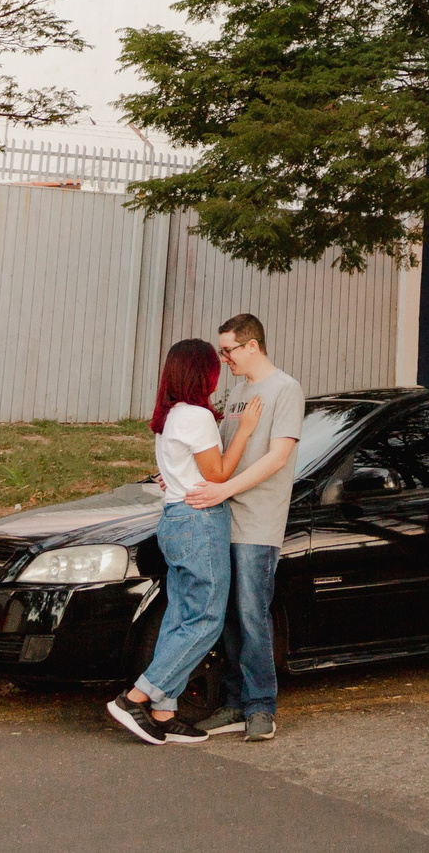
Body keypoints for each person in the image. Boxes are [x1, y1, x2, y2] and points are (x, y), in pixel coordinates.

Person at [107, 338, 262, 747]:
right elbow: (218, 475)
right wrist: (245, 430)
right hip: (200, 521)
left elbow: (182, 472)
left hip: (176, 519)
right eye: (216, 364)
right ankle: (136, 697)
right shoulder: (196, 415)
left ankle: (163, 710)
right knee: (206, 619)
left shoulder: (172, 415)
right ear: (203, 373)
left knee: (180, 616)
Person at [183, 312, 302, 742]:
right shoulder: (237, 392)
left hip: (257, 523)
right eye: (222, 351)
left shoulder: (285, 389)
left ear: (252, 345)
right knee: (229, 617)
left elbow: (277, 458)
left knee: (253, 615)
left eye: (229, 349)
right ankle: (234, 703)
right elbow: (220, 452)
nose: (224, 358)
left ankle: (260, 708)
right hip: (221, 518)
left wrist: (225, 489)